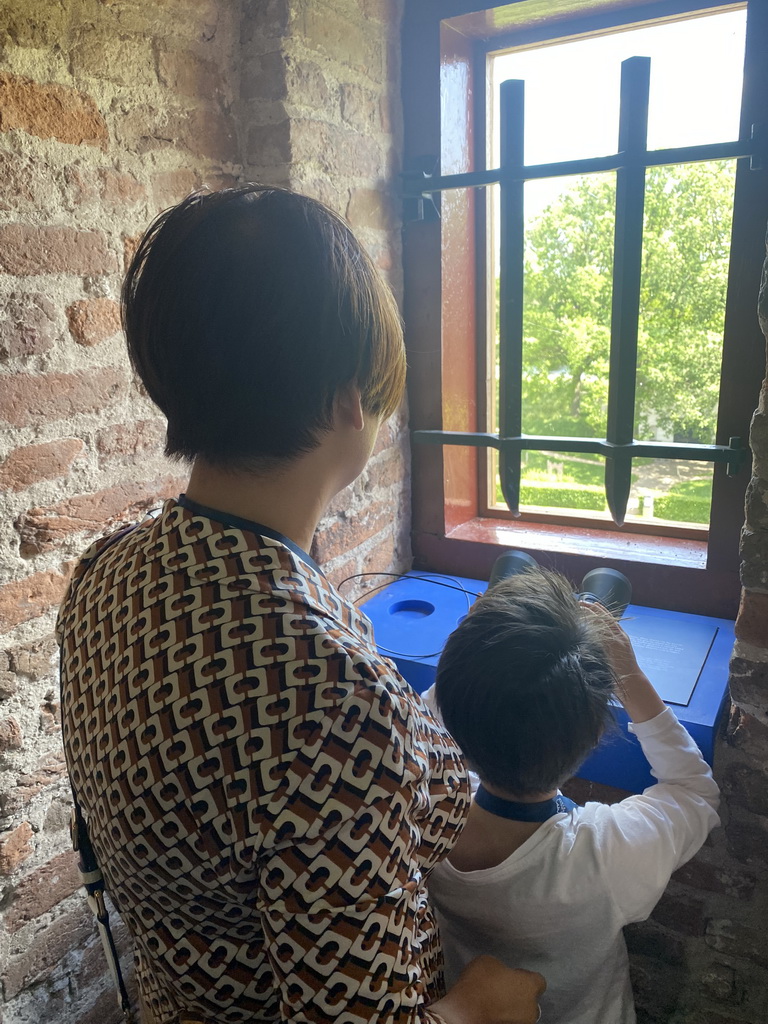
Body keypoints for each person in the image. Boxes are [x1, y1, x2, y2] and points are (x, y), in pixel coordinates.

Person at [56, 185, 545, 1024]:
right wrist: (480, 1007)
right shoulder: (334, 694)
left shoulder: (106, 568)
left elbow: (328, 804)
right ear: (345, 399)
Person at [424, 568, 720, 1024]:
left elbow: (434, 713)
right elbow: (694, 790)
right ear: (593, 735)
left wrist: (476, 648)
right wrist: (630, 673)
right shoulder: (602, 853)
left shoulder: (419, 808)